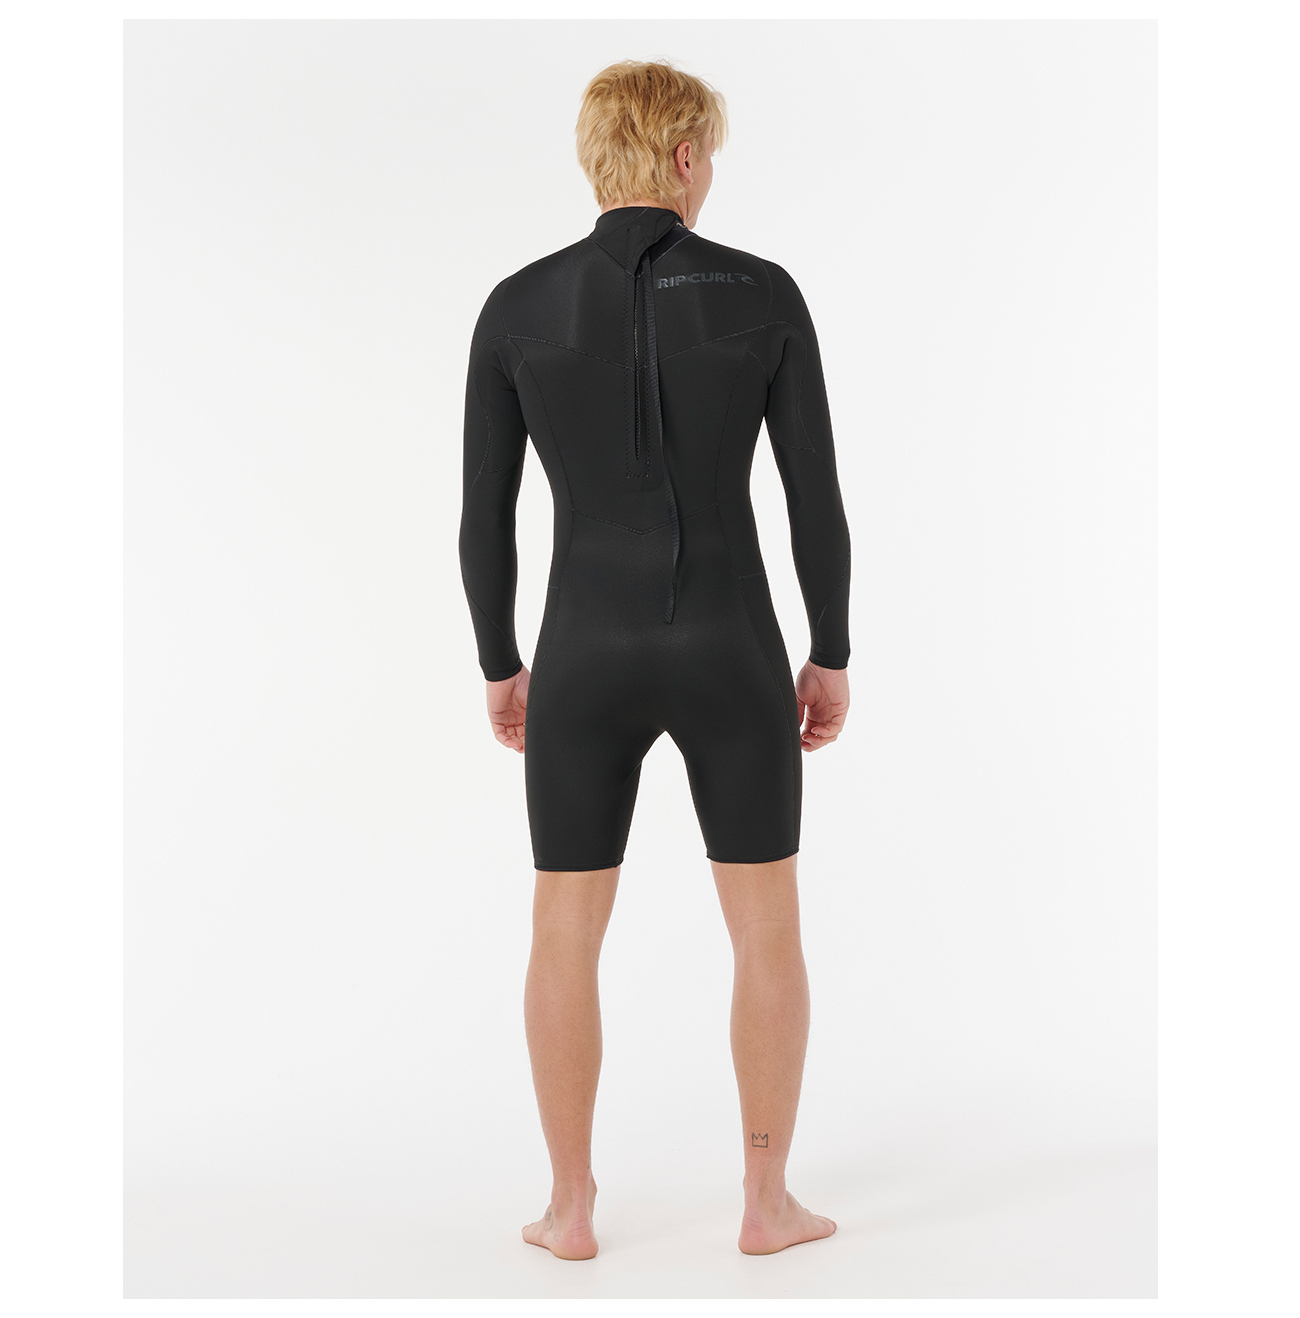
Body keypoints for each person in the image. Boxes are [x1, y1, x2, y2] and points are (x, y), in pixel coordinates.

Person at [458, 59, 850, 1259]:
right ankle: (766, 1202)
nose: (710, 171)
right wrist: (829, 651)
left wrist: (501, 662)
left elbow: (484, 522)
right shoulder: (761, 293)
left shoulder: (515, 306)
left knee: (563, 927)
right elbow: (814, 502)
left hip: (582, 650)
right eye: (709, 152)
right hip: (732, 645)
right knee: (766, 928)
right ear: (683, 157)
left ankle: (568, 1206)